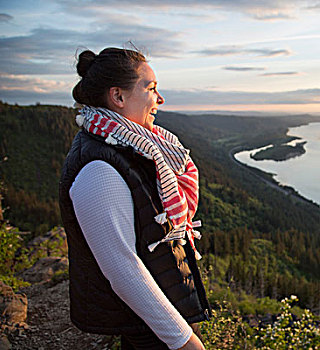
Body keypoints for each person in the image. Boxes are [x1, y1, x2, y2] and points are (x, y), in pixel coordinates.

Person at [59, 47, 210, 350]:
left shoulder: (129, 147)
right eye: (151, 88)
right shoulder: (99, 169)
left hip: (152, 316)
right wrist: (184, 341)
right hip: (146, 323)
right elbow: (122, 268)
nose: (160, 99)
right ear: (118, 97)